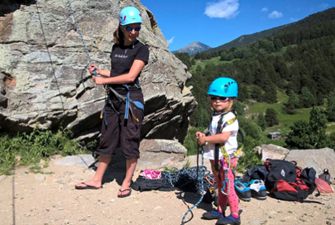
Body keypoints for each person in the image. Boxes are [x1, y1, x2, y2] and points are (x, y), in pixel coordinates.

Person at [75, 5, 149, 198]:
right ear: (122, 27)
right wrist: (98, 72)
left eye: (137, 27)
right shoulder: (116, 48)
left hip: (131, 101)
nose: (134, 31)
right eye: (130, 27)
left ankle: (126, 182)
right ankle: (97, 179)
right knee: (107, 138)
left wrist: (104, 81)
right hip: (113, 101)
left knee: (130, 141)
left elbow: (130, 77)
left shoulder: (142, 49)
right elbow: (117, 74)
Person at [196, 77, 241, 225]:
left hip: (226, 158)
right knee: (220, 185)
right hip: (215, 157)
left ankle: (235, 215)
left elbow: (222, 137)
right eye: (214, 98)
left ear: (231, 100)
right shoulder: (216, 117)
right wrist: (204, 136)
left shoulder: (231, 118)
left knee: (228, 186)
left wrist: (206, 140)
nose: (217, 101)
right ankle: (220, 210)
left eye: (222, 98)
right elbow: (213, 134)